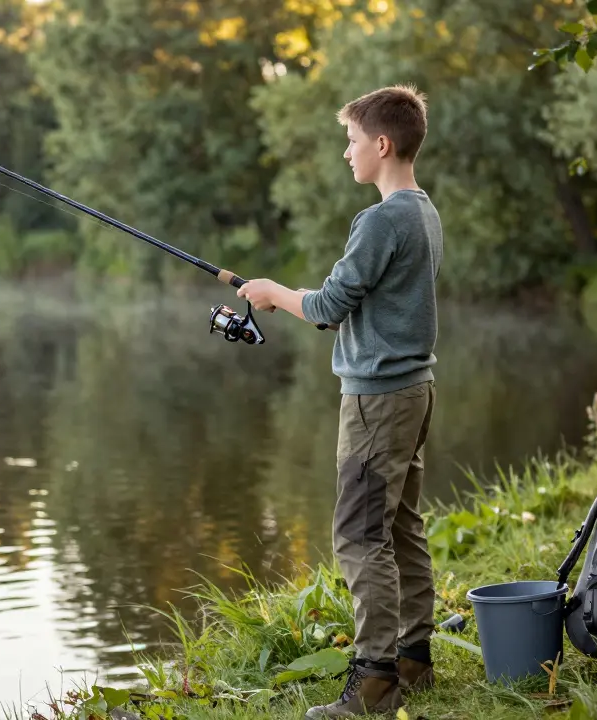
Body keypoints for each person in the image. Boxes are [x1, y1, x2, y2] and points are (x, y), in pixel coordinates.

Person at [236, 84, 443, 717]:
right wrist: (302, 299)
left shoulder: (381, 219)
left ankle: (375, 680)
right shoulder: (423, 211)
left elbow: (328, 306)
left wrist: (272, 292)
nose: (345, 152)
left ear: (382, 145)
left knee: (359, 535)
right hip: (415, 391)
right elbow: (358, 305)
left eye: (351, 141)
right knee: (400, 525)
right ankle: (414, 659)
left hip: (378, 401)